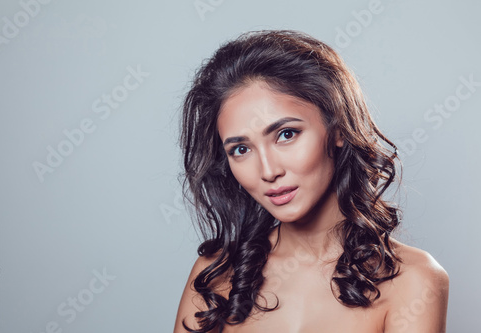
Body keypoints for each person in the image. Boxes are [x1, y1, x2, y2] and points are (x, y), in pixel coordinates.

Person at [174, 30, 449, 333]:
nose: (268, 171)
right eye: (241, 149)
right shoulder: (217, 276)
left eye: (286, 134)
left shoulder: (413, 280)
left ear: (339, 129)